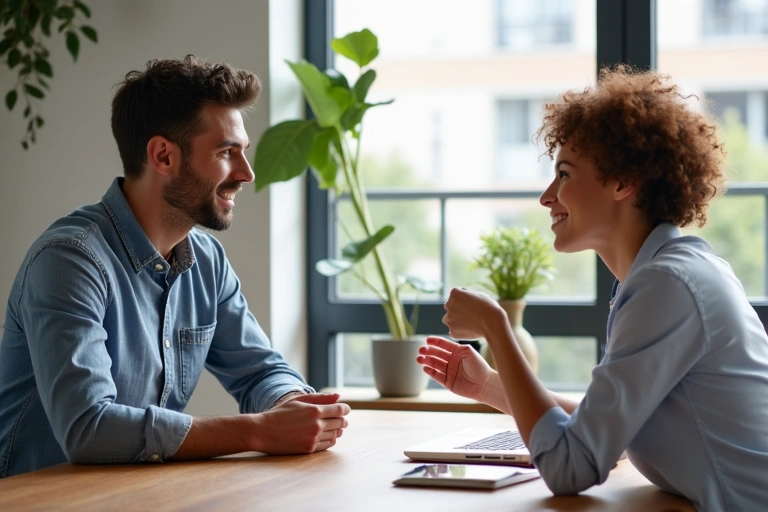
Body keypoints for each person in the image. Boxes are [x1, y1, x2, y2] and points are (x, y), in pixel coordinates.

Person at [417, 65, 768, 511]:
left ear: (623, 181)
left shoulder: (667, 285)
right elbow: (605, 433)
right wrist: (489, 386)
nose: (547, 196)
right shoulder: (663, 274)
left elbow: (571, 468)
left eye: (564, 173)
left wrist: (496, 329)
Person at [0, 55, 350, 478]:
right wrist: (258, 432)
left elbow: (260, 371)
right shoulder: (69, 260)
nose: (247, 173)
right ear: (163, 156)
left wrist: (291, 403)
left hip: (137, 496)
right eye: (226, 152)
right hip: (37, 501)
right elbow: (88, 428)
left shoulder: (206, 259)